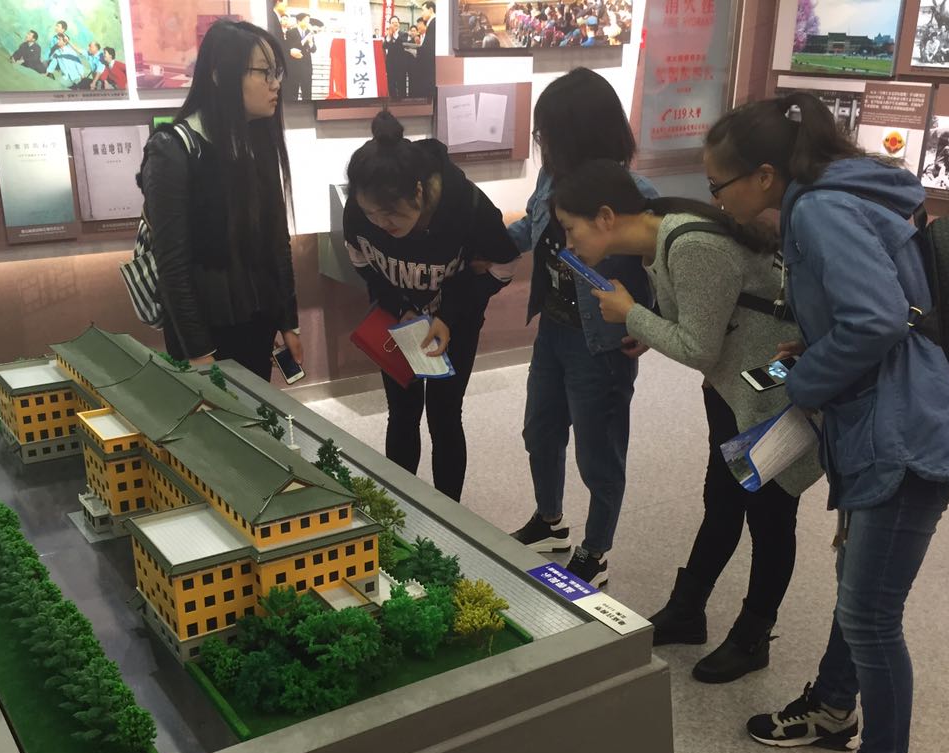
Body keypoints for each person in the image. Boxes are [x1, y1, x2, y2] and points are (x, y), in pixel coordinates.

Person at [702, 92, 949, 753]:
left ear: (764, 177)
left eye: (719, 184)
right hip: (885, 419)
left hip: (905, 435)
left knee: (870, 614)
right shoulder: (835, 200)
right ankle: (833, 707)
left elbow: (876, 319)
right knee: (857, 587)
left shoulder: (820, 212)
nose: (717, 199)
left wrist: (804, 379)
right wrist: (817, 345)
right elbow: (878, 312)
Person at [550, 158, 823, 680]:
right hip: (735, 388)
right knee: (722, 500)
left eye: (570, 227)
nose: (569, 241)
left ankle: (752, 637)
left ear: (605, 216)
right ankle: (688, 609)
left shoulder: (691, 244)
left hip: (773, 392)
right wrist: (649, 326)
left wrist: (632, 314)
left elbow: (699, 347)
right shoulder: (663, 238)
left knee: (770, 516)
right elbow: (707, 320)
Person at [505, 68, 655, 589]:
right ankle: (550, 522)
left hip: (601, 344)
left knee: (599, 452)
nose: (542, 142)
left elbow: (664, 264)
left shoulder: (633, 192)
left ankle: (596, 549)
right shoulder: (553, 179)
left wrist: (650, 324)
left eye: (548, 132)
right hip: (553, 329)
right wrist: (488, 245)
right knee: (539, 430)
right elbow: (530, 226)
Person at [343, 110, 519, 501]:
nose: (381, 224)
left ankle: (448, 513)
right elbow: (360, 259)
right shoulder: (359, 210)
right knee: (402, 413)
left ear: (419, 192)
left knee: (444, 416)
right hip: (400, 323)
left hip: (455, 326)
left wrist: (448, 315)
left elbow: (505, 266)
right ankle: (400, 506)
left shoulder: (467, 206)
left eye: (392, 214)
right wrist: (396, 305)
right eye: (371, 213)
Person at [139, 20, 301, 380]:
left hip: (257, 320)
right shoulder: (173, 149)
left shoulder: (257, 142)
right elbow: (172, 263)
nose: (275, 84)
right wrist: (199, 352)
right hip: (202, 331)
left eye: (277, 72)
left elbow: (277, 240)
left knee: (256, 408)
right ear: (218, 75)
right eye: (264, 73)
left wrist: (289, 320)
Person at [285, 13, 314, 102]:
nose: (307, 22)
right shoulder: (290, 32)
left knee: (307, 93)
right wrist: (305, 39)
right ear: (299, 21)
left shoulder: (309, 32)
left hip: (307, 66)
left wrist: (311, 43)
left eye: (308, 21)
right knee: (293, 93)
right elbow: (293, 47)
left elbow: (314, 49)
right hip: (295, 66)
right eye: (306, 20)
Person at [383, 16, 411, 99]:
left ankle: (402, 100)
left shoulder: (404, 34)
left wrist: (395, 34)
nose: (394, 24)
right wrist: (389, 36)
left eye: (396, 22)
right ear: (390, 24)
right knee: (391, 83)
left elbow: (402, 44)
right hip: (390, 64)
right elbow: (384, 46)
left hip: (400, 64)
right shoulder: (388, 35)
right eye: (392, 23)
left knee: (401, 83)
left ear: (399, 24)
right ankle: (393, 98)